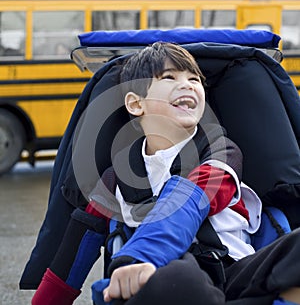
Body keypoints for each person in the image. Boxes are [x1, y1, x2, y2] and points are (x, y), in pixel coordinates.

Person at [32, 42, 300, 305]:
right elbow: (73, 255)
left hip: (236, 277)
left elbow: (186, 204)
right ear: (136, 104)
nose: (187, 84)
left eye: (194, 79)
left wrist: (141, 255)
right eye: (169, 77)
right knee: (177, 276)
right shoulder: (115, 180)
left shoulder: (222, 153)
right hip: (163, 283)